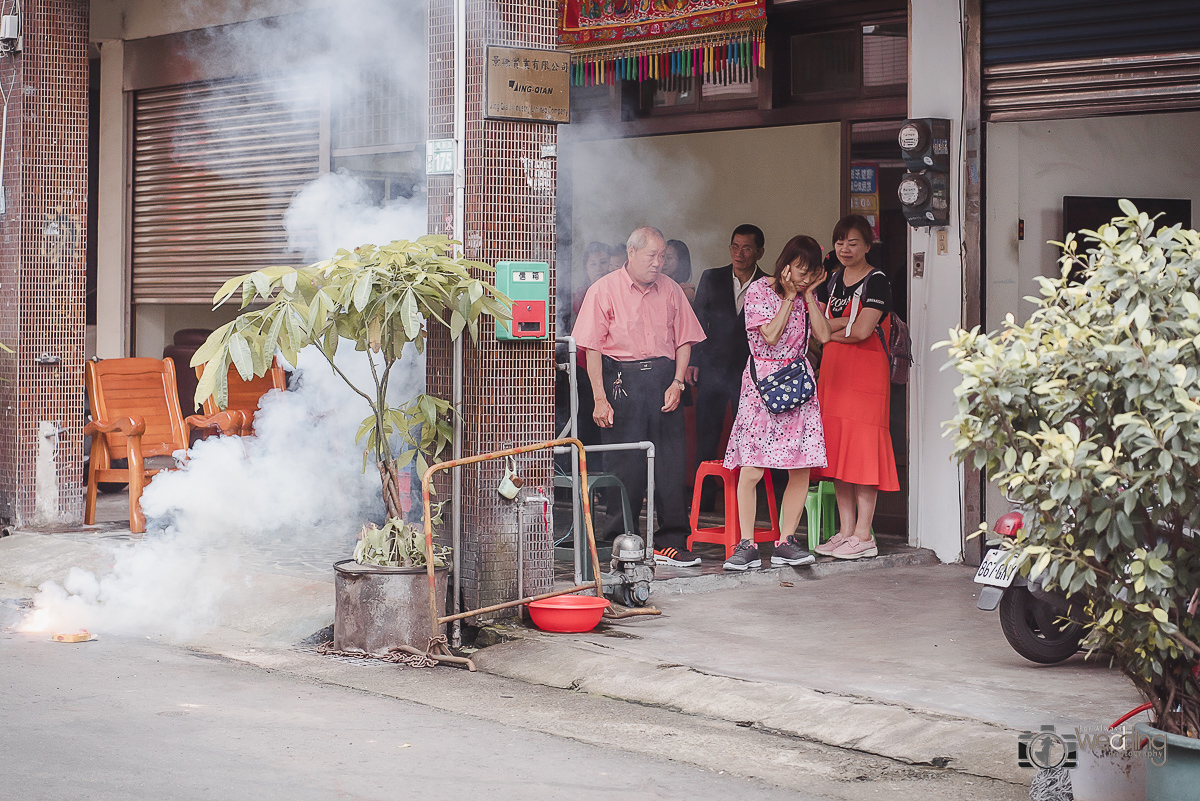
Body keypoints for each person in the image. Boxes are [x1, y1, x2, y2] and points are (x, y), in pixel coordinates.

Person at [572, 226, 707, 567]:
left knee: (671, 463)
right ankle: (619, 539)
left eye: (662, 256)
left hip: (664, 379)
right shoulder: (603, 290)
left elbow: (685, 340)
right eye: (652, 256)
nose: (659, 263)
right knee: (625, 465)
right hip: (622, 380)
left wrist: (678, 382)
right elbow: (591, 349)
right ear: (631, 253)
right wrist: (600, 399)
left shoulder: (672, 290)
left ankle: (672, 541)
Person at [721, 236, 831, 570]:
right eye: (800, 270)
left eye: (811, 273)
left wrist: (809, 295)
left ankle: (786, 542)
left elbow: (824, 336)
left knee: (801, 468)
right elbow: (769, 336)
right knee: (753, 468)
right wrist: (789, 298)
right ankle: (746, 545)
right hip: (762, 388)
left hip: (797, 388)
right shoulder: (758, 291)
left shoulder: (805, 296)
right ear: (785, 265)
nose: (804, 277)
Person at [812, 215, 899, 560]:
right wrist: (838, 326)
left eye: (853, 242)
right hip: (833, 375)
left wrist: (830, 329)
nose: (845, 249)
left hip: (865, 377)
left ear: (867, 245)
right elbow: (818, 328)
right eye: (840, 242)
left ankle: (864, 535)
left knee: (862, 453)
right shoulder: (831, 280)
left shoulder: (877, 281)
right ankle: (846, 532)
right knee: (839, 454)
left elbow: (863, 331)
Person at [691, 224, 768, 510]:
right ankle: (704, 501)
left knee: (748, 435)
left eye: (747, 248)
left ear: (760, 251)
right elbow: (696, 321)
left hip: (749, 371)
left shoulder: (767, 283)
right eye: (735, 246)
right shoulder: (712, 277)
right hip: (711, 367)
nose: (739, 253)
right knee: (706, 434)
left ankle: (743, 500)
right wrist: (694, 361)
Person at [571, 241, 612, 316]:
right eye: (593, 264)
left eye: (603, 262)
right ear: (586, 268)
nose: (598, 268)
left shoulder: (616, 291)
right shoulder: (581, 294)